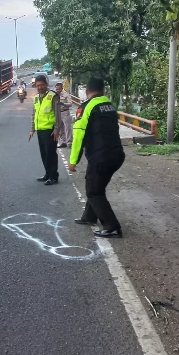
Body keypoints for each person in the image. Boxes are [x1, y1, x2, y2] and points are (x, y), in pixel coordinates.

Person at [69, 77, 125, 238]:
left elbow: (78, 135)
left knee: (93, 191)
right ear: (103, 90)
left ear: (87, 91)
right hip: (117, 155)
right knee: (96, 185)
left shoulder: (86, 107)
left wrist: (73, 161)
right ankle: (89, 217)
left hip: (101, 156)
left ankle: (112, 226)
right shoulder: (109, 105)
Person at [28, 74, 61, 185]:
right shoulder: (36, 97)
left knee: (51, 153)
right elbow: (34, 114)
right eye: (37, 85)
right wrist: (32, 129)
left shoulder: (53, 96)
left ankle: (53, 176)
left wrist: (56, 129)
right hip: (40, 130)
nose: (40, 87)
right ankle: (47, 174)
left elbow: (57, 114)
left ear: (46, 84)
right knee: (44, 153)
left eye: (42, 85)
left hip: (50, 130)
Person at [55, 82, 73, 148]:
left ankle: (69, 142)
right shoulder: (55, 95)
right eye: (56, 89)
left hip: (65, 112)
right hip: (58, 113)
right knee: (59, 129)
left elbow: (70, 104)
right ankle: (64, 141)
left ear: (62, 88)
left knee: (67, 128)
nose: (57, 90)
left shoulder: (66, 94)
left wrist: (63, 103)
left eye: (58, 89)